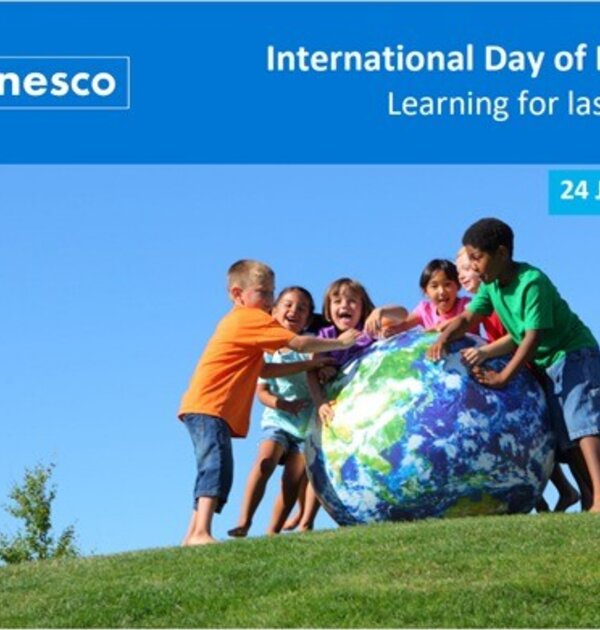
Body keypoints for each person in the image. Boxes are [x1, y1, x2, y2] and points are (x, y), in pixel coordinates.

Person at [178, 260, 361, 546]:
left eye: (271, 292)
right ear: (237, 294)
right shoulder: (250, 318)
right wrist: (340, 343)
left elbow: (264, 369)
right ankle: (201, 531)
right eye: (262, 292)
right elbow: (298, 343)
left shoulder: (240, 322)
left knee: (212, 465)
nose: (268, 299)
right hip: (210, 405)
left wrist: (307, 365)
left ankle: (193, 534)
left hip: (206, 406)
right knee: (215, 465)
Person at [428, 218, 600, 512]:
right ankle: (589, 498)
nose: (473, 266)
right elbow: (468, 318)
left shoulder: (531, 282)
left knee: (582, 425)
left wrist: (503, 377)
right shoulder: (491, 286)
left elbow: (532, 337)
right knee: (565, 436)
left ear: (502, 253)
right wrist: (444, 337)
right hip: (548, 363)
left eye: (477, 257)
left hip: (573, 353)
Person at [455, 246, 581, 512]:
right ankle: (548, 498)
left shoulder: (507, 293)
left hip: (529, 369)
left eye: (470, 266)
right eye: (460, 271)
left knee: (557, 434)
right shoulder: (484, 298)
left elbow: (520, 338)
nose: (466, 273)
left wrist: (487, 355)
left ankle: (578, 492)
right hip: (520, 369)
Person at [227, 286, 331, 538]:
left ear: (307, 319)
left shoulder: (311, 348)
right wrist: (283, 404)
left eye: (302, 308)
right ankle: (244, 521)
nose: (294, 311)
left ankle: (272, 532)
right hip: (278, 419)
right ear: (273, 311)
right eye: (288, 305)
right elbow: (262, 392)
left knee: (292, 479)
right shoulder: (268, 351)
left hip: (304, 424)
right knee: (265, 462)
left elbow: (321, 375)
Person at [364, 259, 466, 337]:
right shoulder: (425, 310)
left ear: (458, 285)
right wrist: (389, 329)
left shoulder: (465, 305)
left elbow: (467, 317)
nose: (442, 291)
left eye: (447, 284)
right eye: (434, 286)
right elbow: (403, 323)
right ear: (425, 291)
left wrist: (437, 328)